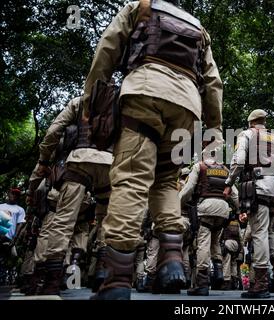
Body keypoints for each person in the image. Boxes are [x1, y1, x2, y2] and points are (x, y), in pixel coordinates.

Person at [82, 0, 223, 300]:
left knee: (132, 178)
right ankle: (172, 261)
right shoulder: (199, 28)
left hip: (144, 93)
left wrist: (90, 103)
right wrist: (214, 131)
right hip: (188, 109)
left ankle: (117, 278)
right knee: (167, 181)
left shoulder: (140, 7)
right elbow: (213, 82)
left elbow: (107, 49)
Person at [27, 96, 112, 296]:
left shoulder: (79, 102)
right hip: (110, 164)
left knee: (63, 220)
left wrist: (44, 159)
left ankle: (51, 280)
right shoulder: (121, 101)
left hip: (80, 162)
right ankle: (103, 272)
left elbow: (53, 131)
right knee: (107, 221)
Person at [223, 109, 274, 298]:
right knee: (269, 231)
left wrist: (229, 183)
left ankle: (261, 283)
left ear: (250, 122)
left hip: (259, 186)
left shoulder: (247, 134)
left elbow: (239, 160)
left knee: (259, 230)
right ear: (264, 122)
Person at [179, 150, 239, 296]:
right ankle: (218, 271)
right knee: (216, 241)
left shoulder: (200, 166)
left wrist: (178, 203)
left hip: (206, 207)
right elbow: (234, 194)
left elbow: (188, 188)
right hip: (223, 210)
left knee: (203, 243)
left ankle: (202, 282)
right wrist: (239, 209)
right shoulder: (225, 170)